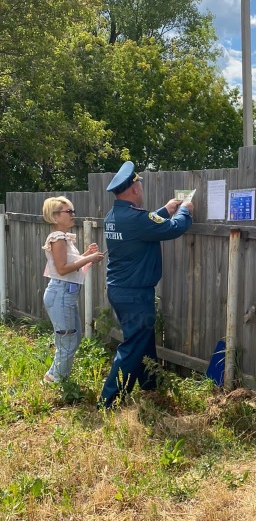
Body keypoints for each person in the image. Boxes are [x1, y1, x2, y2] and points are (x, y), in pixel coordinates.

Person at [98, 161, 193, 409]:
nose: (141, 188)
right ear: (134, 190)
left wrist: (165, 209)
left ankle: (150, 387)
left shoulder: (114, 216)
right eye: (139, 184)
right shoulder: (135, 218)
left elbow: (143, 227)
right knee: (132, 347)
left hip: (121, 289)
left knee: (143, 339)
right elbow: (174, 228)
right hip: (134, 293)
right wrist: (185, 210)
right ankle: (109, 402)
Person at [42, 197, 105, 383]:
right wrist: (89, 258)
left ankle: (52, 377)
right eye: (68, 212)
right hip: (61, 293)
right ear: (55, 216)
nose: (73, 215)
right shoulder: (58, 237)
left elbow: (69, 264)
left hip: (65, 294)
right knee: (68, 340)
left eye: (73, 211)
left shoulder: (64, 238)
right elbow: (62, 269)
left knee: (73, 338)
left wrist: (86, 254)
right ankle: (57, 382)